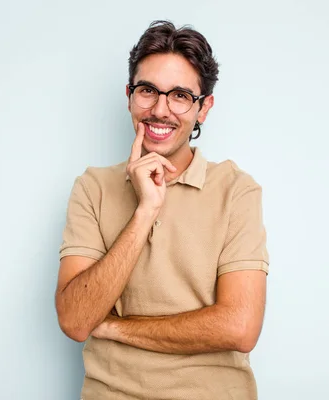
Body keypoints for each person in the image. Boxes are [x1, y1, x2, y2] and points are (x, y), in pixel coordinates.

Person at [55, 20, 269, 400]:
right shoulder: (92, 188)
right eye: (148, 90)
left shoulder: (236, 191)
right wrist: (145, 212)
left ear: (203, 109)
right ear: (129, 95)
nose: (160, 109)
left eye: (181, 95)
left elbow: (240, 327)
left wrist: (115, 327)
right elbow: (75, 320)